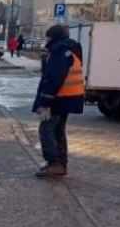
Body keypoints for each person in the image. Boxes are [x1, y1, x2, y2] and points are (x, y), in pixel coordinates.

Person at [32, 24, 85, 178]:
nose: (45, 40)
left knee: (46, 130)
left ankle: (54, 163)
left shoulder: (58, 50)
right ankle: (60, 163)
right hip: (68, 98)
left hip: (57, 98)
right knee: (58, 130)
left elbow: (53, 78)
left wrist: (45, 102)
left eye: (47, 37)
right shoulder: (70, 48)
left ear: (52, 37)